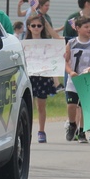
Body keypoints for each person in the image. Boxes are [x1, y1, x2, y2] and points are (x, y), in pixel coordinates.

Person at [63, 16, 90, 143]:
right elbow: (66, 62)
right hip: (73, 80)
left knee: (84, 107)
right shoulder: (71, 43)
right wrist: (70, 72)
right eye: (86, 27)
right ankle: (72, 124)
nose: (89, 29)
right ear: (77, 28)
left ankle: (83, 131)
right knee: (72, 105)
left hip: (86, 80)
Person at [24, 14, 56, 143]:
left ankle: (41, 131)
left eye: (39, 25)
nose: (36, 28)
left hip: (42, 76)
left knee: (41, 106)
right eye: (33, 26)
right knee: (27, 106)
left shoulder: (47, 43)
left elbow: (57, 40)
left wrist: (47, 24)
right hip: (29, 76)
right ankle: (27, 130)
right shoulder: (24, 43)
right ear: (29, 27)